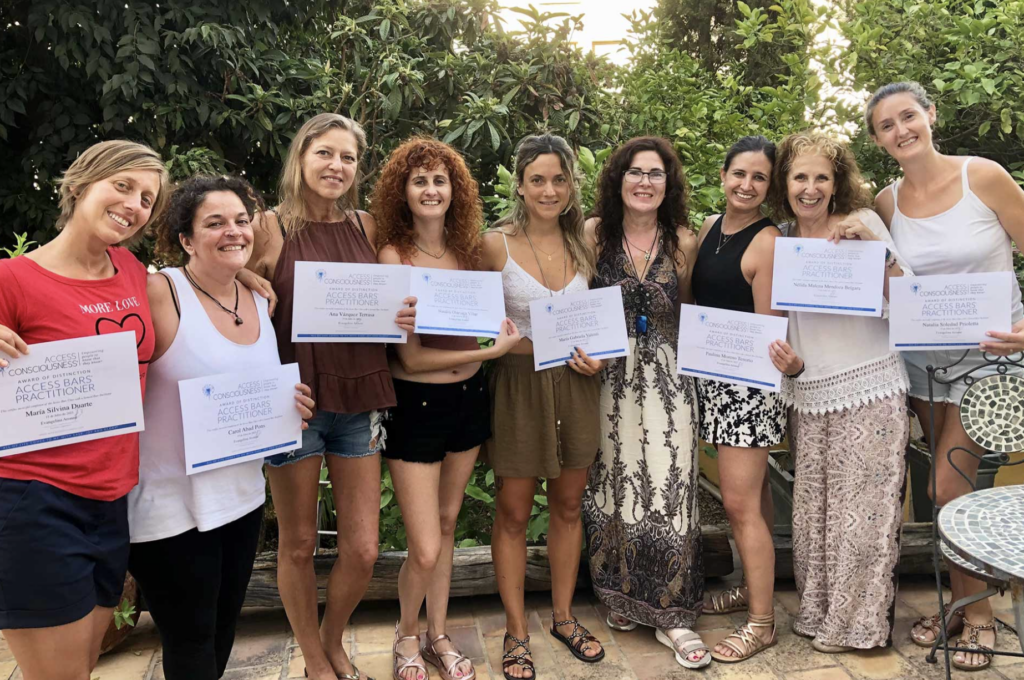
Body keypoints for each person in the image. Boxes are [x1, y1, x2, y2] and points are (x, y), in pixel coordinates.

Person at [244, 113, 415, 680]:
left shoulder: (367, 225)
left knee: (363, 549)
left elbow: (398, 291)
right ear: (301, 157)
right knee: (296, 544)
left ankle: (331, 637)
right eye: (325, 153)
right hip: (294, 405)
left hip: (360, 399)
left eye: (347, 157)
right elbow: (210, 278)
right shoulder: (268, 226)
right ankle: (316, 659)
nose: (336, 166)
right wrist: (245, 278)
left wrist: (404, 312)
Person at [126, 176, 316, 680]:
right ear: (186, 240)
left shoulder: (258, 297)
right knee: (190, 642)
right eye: (214, 223)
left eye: (240, 220)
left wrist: (288, 403)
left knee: (222, 632)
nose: (233, 231)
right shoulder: (158, 291)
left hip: (241, 499)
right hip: (170, 509)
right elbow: (85, 324)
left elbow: (250, 383)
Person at [868, 81, 1024, 672]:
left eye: (908, 116)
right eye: (886, 125)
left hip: (990, 360)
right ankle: (960, 603)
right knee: (946, 483)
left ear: (930, 115)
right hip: (922, 364)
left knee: (946, 488)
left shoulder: (982, 176)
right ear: (878, 141)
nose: (901, 130)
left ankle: (979, 615)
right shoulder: (885, 202)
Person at [0, 140, 169, 680]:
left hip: (112, 498)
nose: (134, 204)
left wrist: (248, 277)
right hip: (36, 499)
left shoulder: (131, 269)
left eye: (146, 198)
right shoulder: (13, 279)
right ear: (78, 184)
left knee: (84, 664)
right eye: (123, 185)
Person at [372, 137, 520, 680]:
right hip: (417, 405)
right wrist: (489, 353)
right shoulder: (394, 256)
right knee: (425, 545)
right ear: (403, 192)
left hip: (468, 401)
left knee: (448, 522)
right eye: (420, 181)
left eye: (440, 180)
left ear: (455, 190)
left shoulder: (469, 254)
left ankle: (437, 634)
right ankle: (405, 635)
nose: (431, 190)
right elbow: (408, 360)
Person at [766, 131, 911, 654]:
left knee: (862, 516)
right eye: (800, 177)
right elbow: (789, 321)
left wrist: (875, 249)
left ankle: (858, 626)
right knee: (815, 515)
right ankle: (818, 612)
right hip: (811, 391)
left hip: (871, 387)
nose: (810, 188)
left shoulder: (862, 223)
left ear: (836, 183)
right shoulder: (783, 239)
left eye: (821, 178)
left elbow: (907, 300)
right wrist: (792, 364)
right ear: (785, 183)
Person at [479, 133, 606, 679]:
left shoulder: (587, 242)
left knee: (569, 505)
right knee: (512, 511)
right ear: (520, 184)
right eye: (537, 180)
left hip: (576, 386)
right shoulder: (494, 245)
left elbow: (600, 323)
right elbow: (477, 325)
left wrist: (600, 357)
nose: (548, 190)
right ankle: (515, 630)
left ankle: (563, 616)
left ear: (572, 184)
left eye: (559, 179)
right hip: (517, 388)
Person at [581, 137, 709, 669]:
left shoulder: (684, 240)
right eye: (635, 172)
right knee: (615, 484)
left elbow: (692, 312)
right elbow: (574, 300)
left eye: (656, 174)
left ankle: (673, 611)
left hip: (669, 380)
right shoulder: (593, 233)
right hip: (607, 380)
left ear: (668, 184)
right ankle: (623, 592)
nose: (644, 182)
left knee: (670, 484)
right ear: (618, 179)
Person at [690, 135, 785, 663]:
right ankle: (753, 588)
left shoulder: (767, 241)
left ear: (770, 187)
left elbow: (769, 331)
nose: (747, 185)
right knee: (757, 496)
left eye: (759, 178)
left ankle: (762, 624)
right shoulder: (709, 227)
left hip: (748, 388)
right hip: (711, 378)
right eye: (739, 174)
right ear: (723, 175)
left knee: (738, 503)